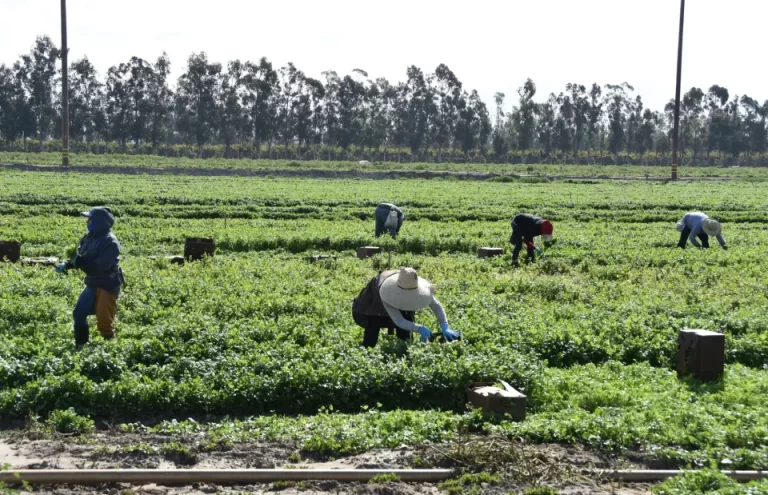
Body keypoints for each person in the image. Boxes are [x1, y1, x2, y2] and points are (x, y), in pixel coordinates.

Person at [56, 207, 125, 349]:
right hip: (92, 283)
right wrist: (68, 265)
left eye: (90, 219)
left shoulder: (110, 242)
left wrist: (80, 262)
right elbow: (82, 257)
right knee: (79, 313)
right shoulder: (89, 238)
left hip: (107, 284)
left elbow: (100, 267)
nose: (87, 221)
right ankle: (80, 345)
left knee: (104, 321)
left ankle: (110, 349)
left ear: (98, 222)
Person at [352, 267, 460, 348]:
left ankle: (403, 349)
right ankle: (367, 350)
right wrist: (419, 328)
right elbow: (398, 320)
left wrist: (445, 326)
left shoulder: (411, 283)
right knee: (372, 330)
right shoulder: (387, 291)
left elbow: (436, 306)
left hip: (397, 303)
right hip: (373, 309)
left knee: (406, 341)